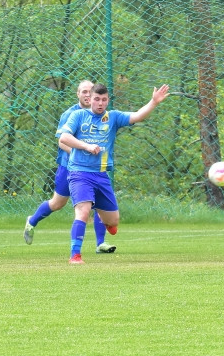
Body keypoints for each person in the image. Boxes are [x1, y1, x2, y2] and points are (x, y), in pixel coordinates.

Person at [59, 82, 169, 264]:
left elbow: (137, 116)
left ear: (107, 100)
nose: (100, 103)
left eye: (104, 100)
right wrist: (86, 145)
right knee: (83, 211)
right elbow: (64, 137)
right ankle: (75, 255)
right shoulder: (78, 116)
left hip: (101, 175)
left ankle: (107, 219)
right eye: (96, 99)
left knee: (113, 221)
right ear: (90, 99)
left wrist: (154, 102)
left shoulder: (113, 117)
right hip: (79, 173)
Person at [23, 79, 116, 253]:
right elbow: (62, 142)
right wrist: (82, 152)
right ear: (78, 94)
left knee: (98, 203)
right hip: (70, 167)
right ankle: (32, 221)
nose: (88, 95)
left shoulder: (102, 115)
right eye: (84, 92)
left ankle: (100, 243)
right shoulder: (71, 114)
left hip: (93, 170)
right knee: (57, 203)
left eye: (90, 91)